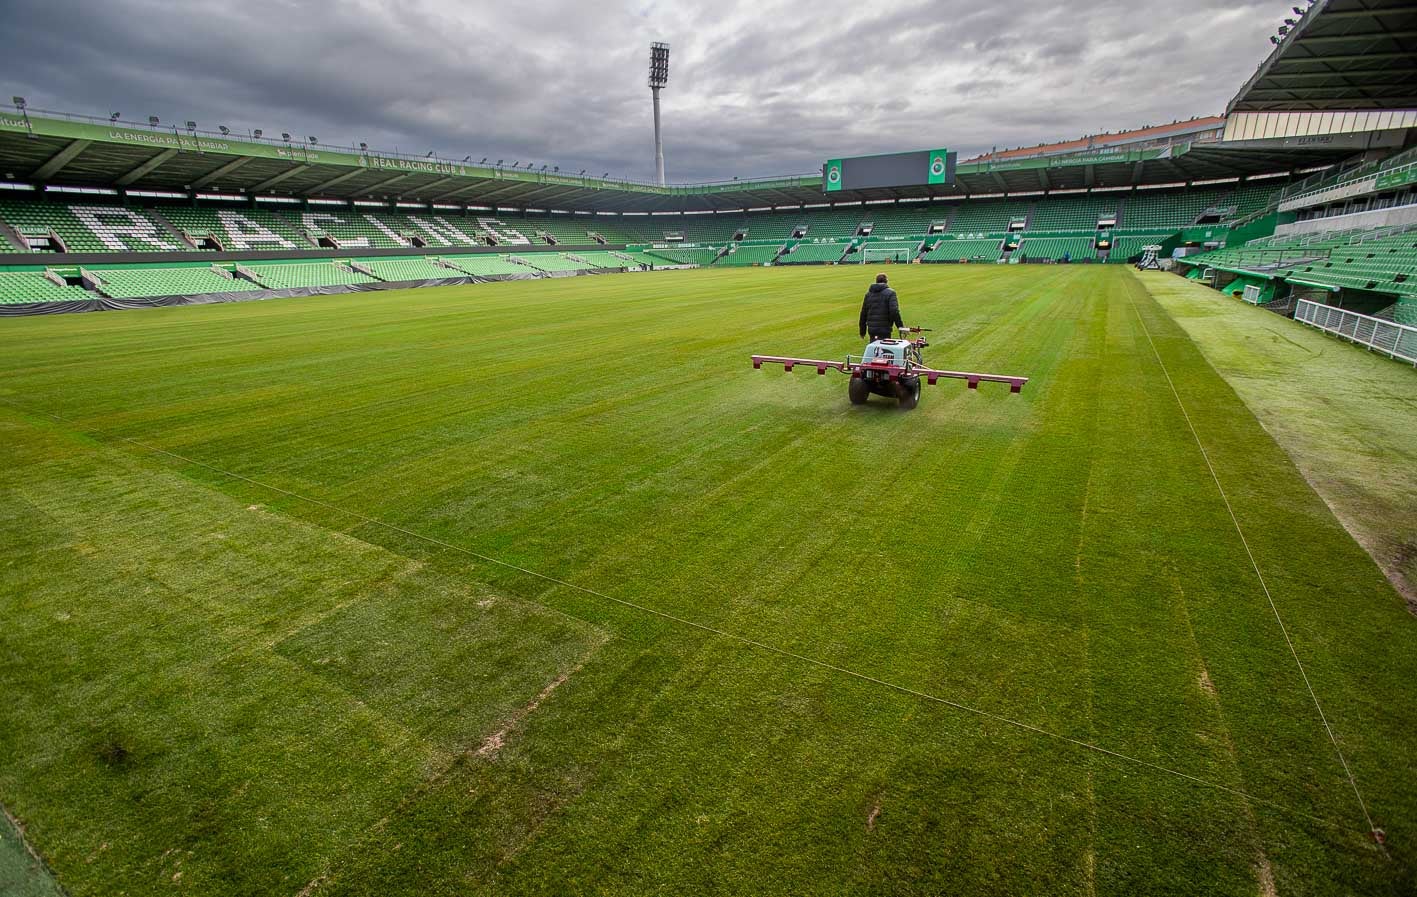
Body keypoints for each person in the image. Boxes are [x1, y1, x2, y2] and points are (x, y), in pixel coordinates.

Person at [859, 273, 903, 342]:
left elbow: (863, 313)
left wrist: (862, 331)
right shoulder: (891, 293)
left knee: (874, 349)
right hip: (885, 328)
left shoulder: (868, 294)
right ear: (886, 281)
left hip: (872, 329)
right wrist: (900, 327)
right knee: (885, 349)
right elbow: (894, 311)